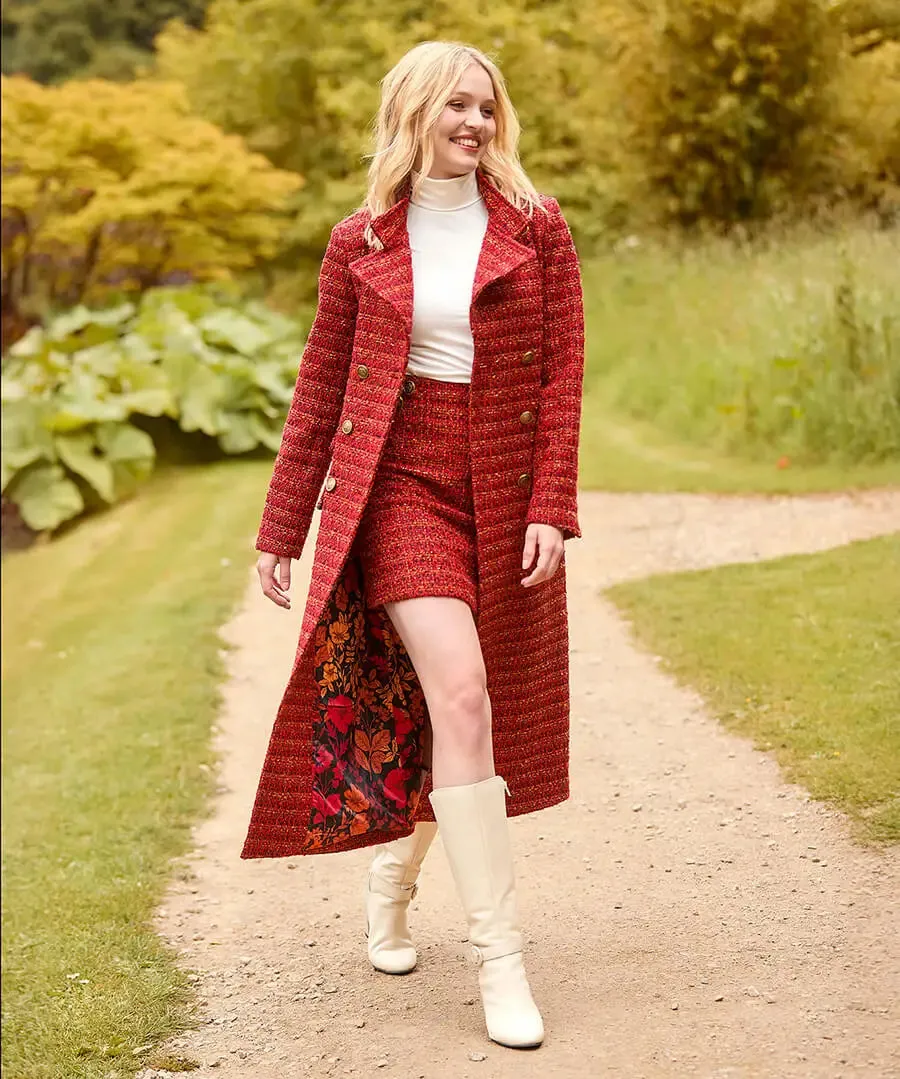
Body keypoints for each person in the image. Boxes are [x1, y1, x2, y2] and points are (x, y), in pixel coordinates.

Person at [243, 40, 584, 1051]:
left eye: (485, 106)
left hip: (502, 478)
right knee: (463, 689)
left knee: (460, 718)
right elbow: (318, 391)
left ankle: (393, 875)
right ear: (413, 115)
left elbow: (564, 378)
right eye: (453, 107)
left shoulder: (539, 227)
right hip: (399, 482)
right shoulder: (360, 242)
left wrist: (548, 504)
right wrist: (280, 527)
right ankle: (499, 956)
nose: (473, 123)